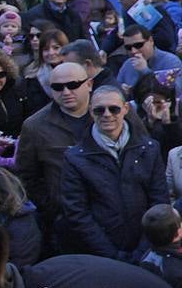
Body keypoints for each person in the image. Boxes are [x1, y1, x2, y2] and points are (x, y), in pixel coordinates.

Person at [58, 85, 167, 260]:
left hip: (146, 249)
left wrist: (143, 249)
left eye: (114, 109)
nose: (107, 114)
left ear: (125, 109)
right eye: (99, 110)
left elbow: (159, 202)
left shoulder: (150, 149)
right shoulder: (74, 158)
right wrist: (111, 254)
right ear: (91, 112)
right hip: (100, 253)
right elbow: (77, 212)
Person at [13, 61, 93, 232]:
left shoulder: (110, 112)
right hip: (66, 219)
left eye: (73, 85)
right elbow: (25, 175)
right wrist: (51, 207)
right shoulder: (35, 126)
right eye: (57, 87)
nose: (66, 92)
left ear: (89, 84)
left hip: (114, 212)